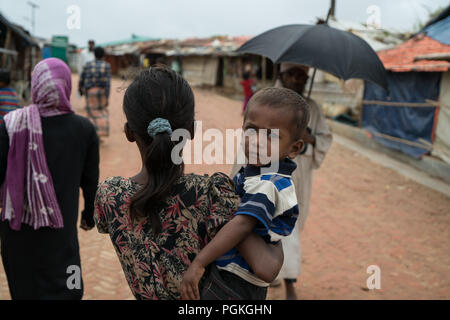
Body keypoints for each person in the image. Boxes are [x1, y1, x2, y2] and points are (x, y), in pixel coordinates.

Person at [94, 66, 283, 300]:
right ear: (191, 131)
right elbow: (267, 268)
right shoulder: (211, 194)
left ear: (129, 133)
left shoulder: (109, 196)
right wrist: (278, 236)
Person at [180, 87, 311, 300]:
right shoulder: (258, 174)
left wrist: (199, 263)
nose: (257, 141)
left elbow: (241, 224)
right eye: (251, 130)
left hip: (234, 284)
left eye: (271, 136)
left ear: (294, 149)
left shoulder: (269, 183)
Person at [0, 58, 100, 300]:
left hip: (16, 235)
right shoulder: (84, 129)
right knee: (69, 289)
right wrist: (88, 216)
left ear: (36, 86)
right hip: (60, 236)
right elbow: (90, 182)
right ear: (65, 85)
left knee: (24, 292)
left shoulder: (10, 125)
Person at [273, 63, 333, 299]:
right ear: (281, 75)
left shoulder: (313, 109)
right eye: (292, 74)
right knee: (285, 226)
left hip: (302, 173)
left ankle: (276, 272)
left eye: (302, 75)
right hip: (274, 172)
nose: (298, 79)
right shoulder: (270, 104)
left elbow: (324, 138)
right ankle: (290, 284)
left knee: (294, 224)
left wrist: (308, 138)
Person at [79, 47, 111, 139]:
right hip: (101, 92)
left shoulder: (88, 64)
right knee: (101, 112)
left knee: (90, 113)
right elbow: (107, 83)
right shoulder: (106, 65)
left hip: (90, 92)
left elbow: (82, 78)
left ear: (94, 54)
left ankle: (91, 135)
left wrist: (80, 90)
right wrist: (107, 97)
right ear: (103, 55)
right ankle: (99, 134)